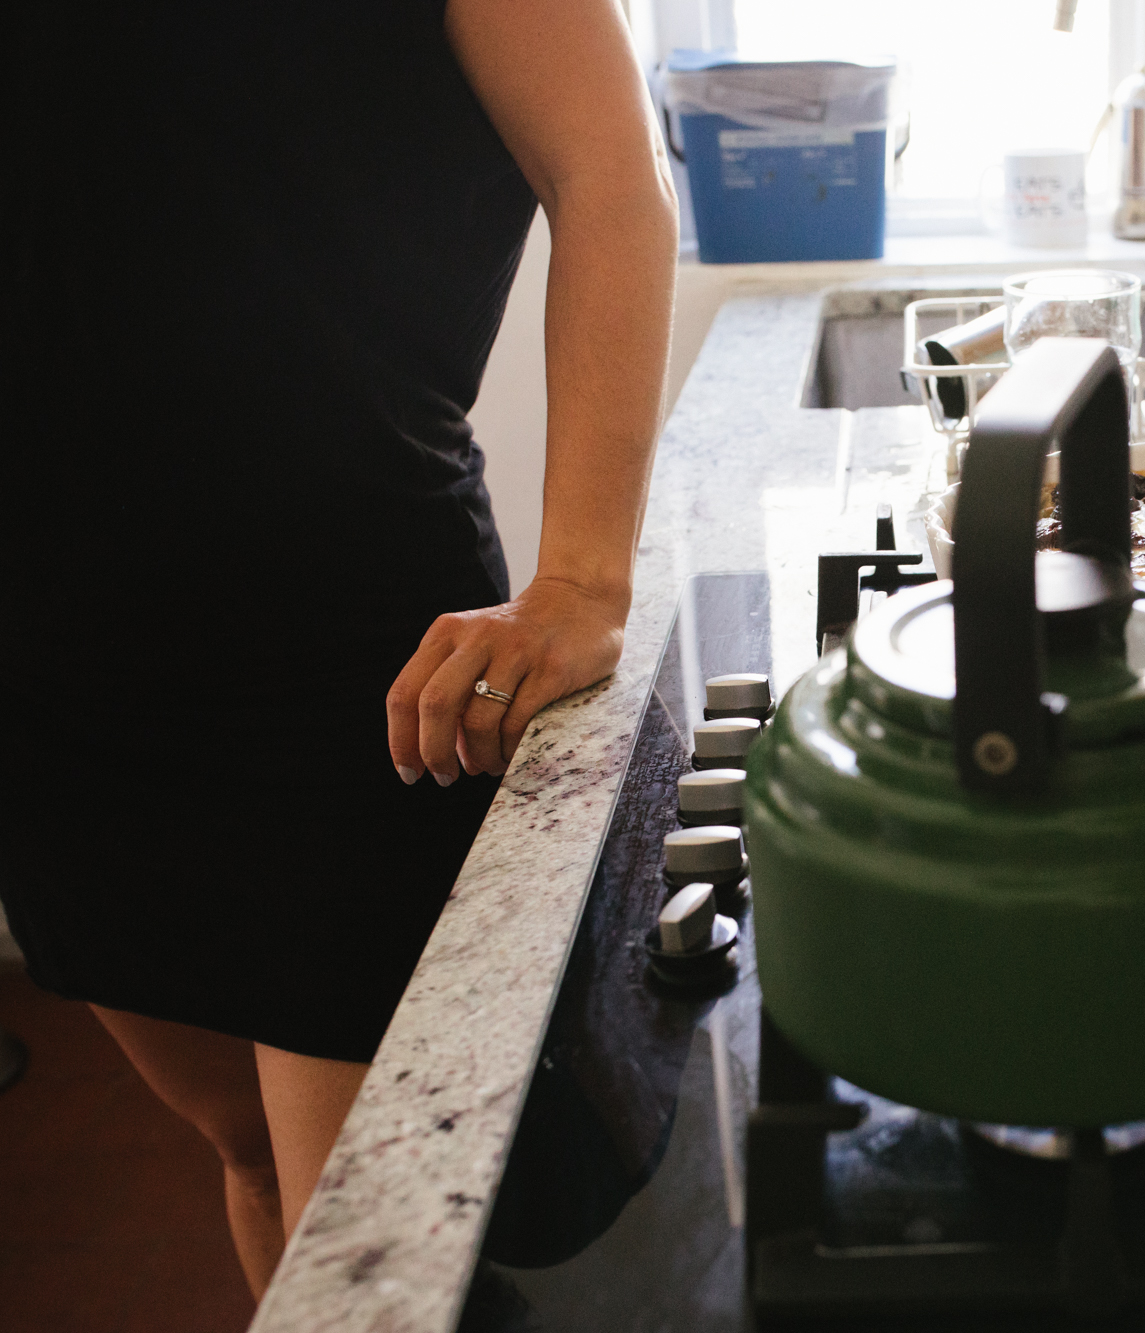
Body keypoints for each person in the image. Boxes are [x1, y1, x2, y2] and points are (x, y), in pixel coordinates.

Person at [1, 0, 676, 1298]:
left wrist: (584, 574)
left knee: (370, 1256)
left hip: (352, 661)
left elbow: (606, 173)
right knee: (248, 1151)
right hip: (51, 671)